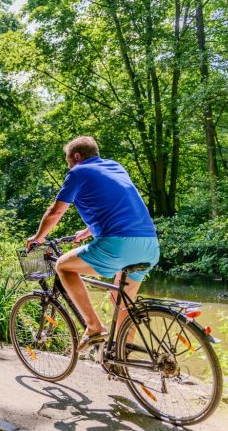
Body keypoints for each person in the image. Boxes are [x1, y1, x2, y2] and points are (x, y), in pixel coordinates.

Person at [25, 136, 159, 351]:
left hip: (118, 245)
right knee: (122, 302)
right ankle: (123, 356)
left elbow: (56, 212)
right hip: (149, 245)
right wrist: (88, 231)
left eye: (68, 161)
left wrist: (38, 237)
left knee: (63, 266)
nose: (68, 166)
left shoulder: (78, 172)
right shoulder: (115, 166)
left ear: (76, 157)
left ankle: (94, 326)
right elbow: (117, 202)